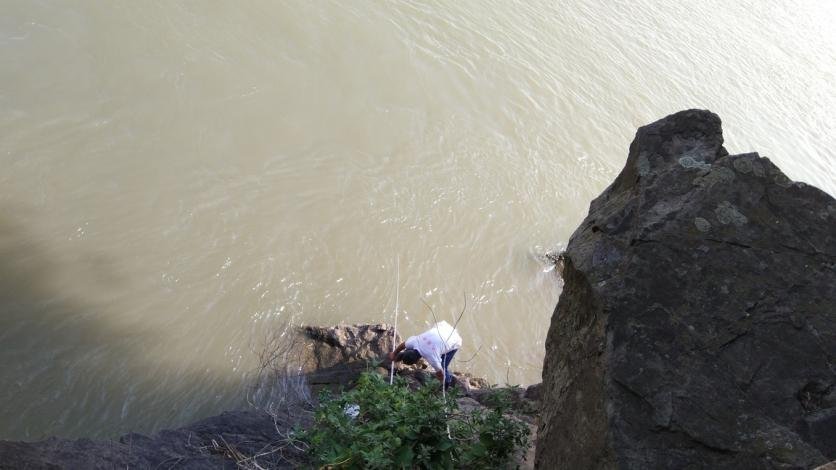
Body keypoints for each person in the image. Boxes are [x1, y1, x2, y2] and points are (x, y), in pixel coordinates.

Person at [388, 320, 462, 388]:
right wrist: (394, 354)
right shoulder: (414, 342)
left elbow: (440, 373)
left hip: (454, 340)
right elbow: (403, 345)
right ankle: (400, 356)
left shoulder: (432, 358)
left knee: (443, 365)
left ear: (417, 361)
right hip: (443, 327)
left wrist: (440, 378)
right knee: (436, 349)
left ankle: (447, 384)